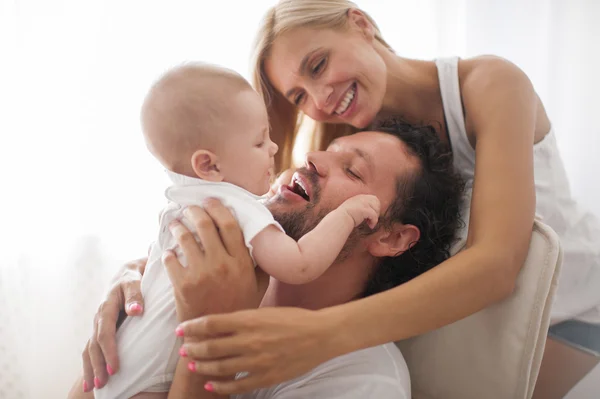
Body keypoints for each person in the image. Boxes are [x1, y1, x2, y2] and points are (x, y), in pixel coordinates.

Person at [82, 0, 600, 397]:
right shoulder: (347, 132)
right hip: (451, 310)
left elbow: (495, 265)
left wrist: (318, 335)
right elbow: (255, 213)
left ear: (359, 21)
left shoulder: (490, 84)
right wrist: (143, 280)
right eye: (298, 96)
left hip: (574, 317)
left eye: (318, 63)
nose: (320, 99)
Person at [69, 119, 465, 398]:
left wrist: (208, 336)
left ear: (392, 236)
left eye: (353, 171)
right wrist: (134, 297)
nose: (311, 158)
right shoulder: (196, 267)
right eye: (327, 151)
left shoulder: (362, 380)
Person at [92, 63, 383, 398]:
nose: (276, 149)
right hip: (152, 377)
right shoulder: (241, 209)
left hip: (122, 366)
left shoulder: (181, 204)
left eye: (354, 171)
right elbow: (301, 263)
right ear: (210, 165)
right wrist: (347, 215)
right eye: (260, 142)